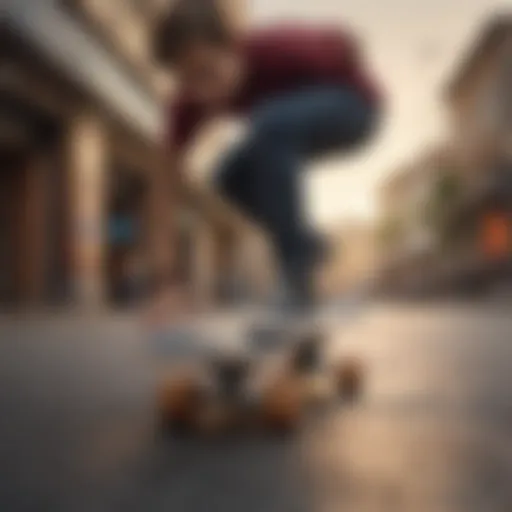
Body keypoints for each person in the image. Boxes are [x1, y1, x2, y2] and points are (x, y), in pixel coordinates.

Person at [153, 0, 383, 315]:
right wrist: (167, 283)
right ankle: (308, 243)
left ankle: (295, 273)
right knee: (227, 174)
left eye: (207, 70)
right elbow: (165, 185)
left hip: (355, 108)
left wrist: (304, 107)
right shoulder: (188, 104)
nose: (203, 91)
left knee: (268, 124)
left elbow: (346, 42)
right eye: (188, 80)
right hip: (282, 130)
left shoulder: (275, 49)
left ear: (232, 48)